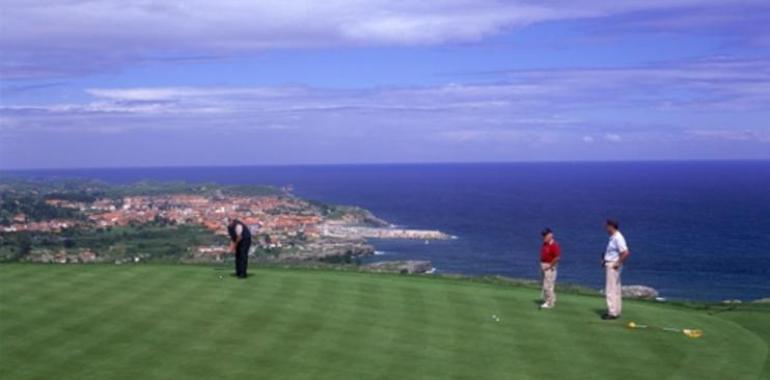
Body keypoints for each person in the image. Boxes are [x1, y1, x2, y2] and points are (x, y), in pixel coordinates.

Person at [602, 219, 629, 319]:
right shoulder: (613, 237)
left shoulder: (618, 237)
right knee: (616, 289)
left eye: (607, 226)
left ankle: (612, 312)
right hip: (611, 263)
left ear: (611, 226)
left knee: (610, 289)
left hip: (613, 265)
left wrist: (617, 263)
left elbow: (625, 252)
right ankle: (616, 311)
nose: (605, 228)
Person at [539, 228, 561, 309]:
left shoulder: (554, 245)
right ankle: (552, 299)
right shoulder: (545, 244)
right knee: (549, 285)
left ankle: (549, 302)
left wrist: (549, 266)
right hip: (544, 265)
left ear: (550, 235)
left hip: (550, 267)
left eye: (545, 235)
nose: (543, 237)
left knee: (547, 286)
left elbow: (557, 258)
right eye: (543, 235)